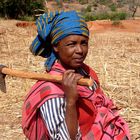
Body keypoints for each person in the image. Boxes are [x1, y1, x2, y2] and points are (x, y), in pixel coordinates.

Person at [22, 10, 130, 140]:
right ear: (56, 46)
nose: (80, 50)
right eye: (71, 44)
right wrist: (70, 101)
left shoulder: (86, 72)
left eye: (84, 43)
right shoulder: (51, 93)